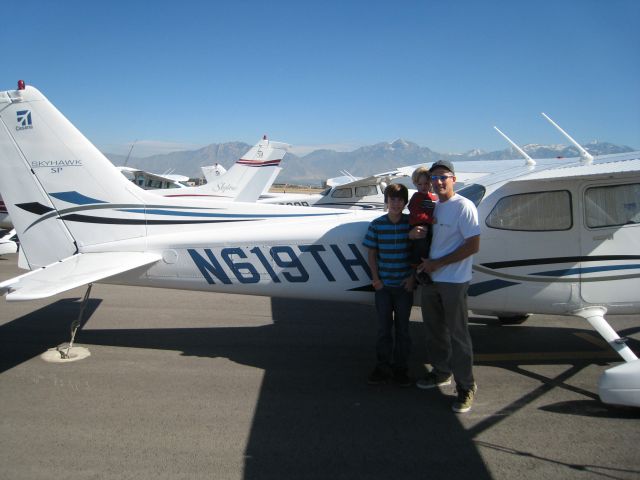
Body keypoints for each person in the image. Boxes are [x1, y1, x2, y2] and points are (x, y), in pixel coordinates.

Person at [411, 160, 481, 413]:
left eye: (444, 177)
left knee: (458, 336)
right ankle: (441, 373)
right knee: (434, 332)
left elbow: (473, 245)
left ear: (454, 179)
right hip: (431, 279)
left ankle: (466, 387)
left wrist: (438, 263)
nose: (439, 181)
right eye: (434, 177)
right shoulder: (435, 207)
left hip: (453, 281)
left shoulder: (464, 206)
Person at [362, 183, 415, 387]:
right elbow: (372, 254)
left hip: (404, 287)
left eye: (400, 199)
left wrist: (412, 278)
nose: (396, 203)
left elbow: (418, 252)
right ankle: (382, 366)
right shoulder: (377, 224)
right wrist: (376, 280)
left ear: (405, 203)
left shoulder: (410, 224)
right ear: (386, 201)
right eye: (392, 199)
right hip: (384, 287)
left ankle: (401, 368)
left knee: (403, 330)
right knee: (384, 329)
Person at [407, 166, 437, 284]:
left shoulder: (433, 197)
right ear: (415, 184)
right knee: (421, 246)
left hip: (429, 226)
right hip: (418, 225)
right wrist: (430, 219)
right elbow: (416, 213)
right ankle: (418, 270)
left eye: (426, 183)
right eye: (420, 184)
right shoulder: (416, 197)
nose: (423, 187)